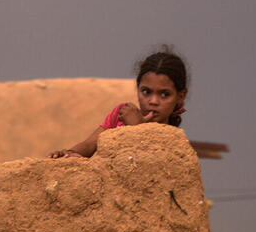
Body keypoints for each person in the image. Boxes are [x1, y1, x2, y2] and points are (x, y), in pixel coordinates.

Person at [48, 47, 188, 158]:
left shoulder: (173, 140)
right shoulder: (122, 114)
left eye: (164, 94)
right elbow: (91, 143)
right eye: (146, 92)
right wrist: (68, 153)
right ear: (137, 88)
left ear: (180, 96)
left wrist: (137, 128)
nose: (153, 101)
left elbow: (151, 168)